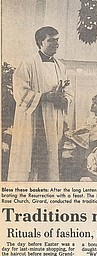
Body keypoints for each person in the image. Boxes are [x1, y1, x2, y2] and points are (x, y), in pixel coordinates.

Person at [8, 26, 73, 181]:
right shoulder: (28, 64)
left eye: (57, 40)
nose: (56, 44)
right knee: (33, 153)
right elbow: (20, 92)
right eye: (51, 40)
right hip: (34, 118)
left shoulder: (60, 66)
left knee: (50, 155)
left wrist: (63, 99)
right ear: (40, 42)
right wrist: (45, 97)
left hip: (52, 117)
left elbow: (69, 92)